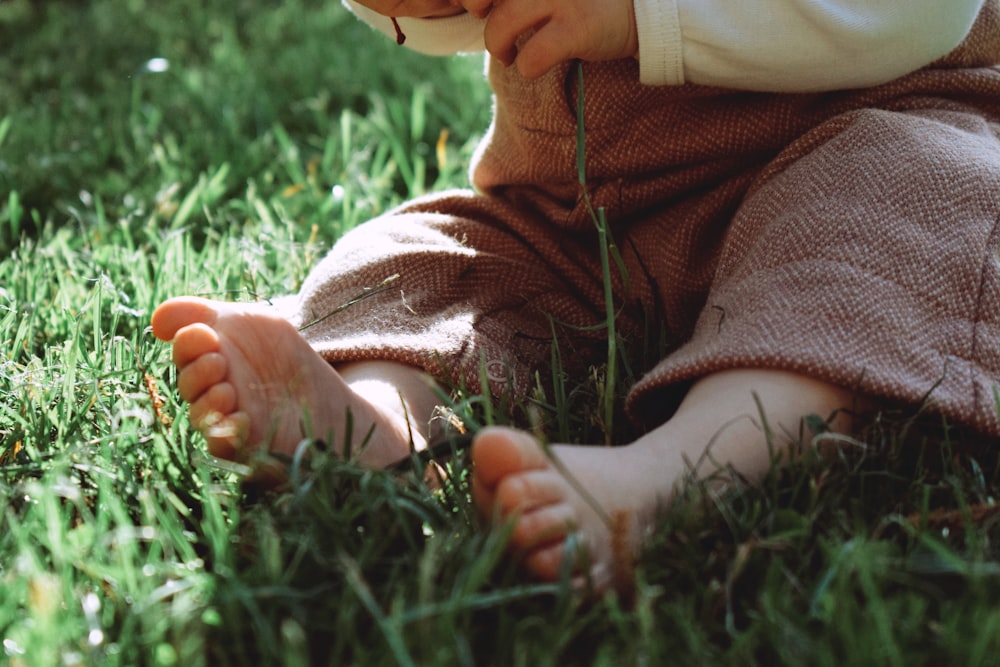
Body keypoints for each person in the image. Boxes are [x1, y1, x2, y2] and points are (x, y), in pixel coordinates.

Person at [151, 0, 1000, 590]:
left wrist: (643, 14)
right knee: (428, 259)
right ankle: (377, 419)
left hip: (851, 153)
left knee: (912, 211)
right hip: (580, 212)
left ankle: (677, 474)